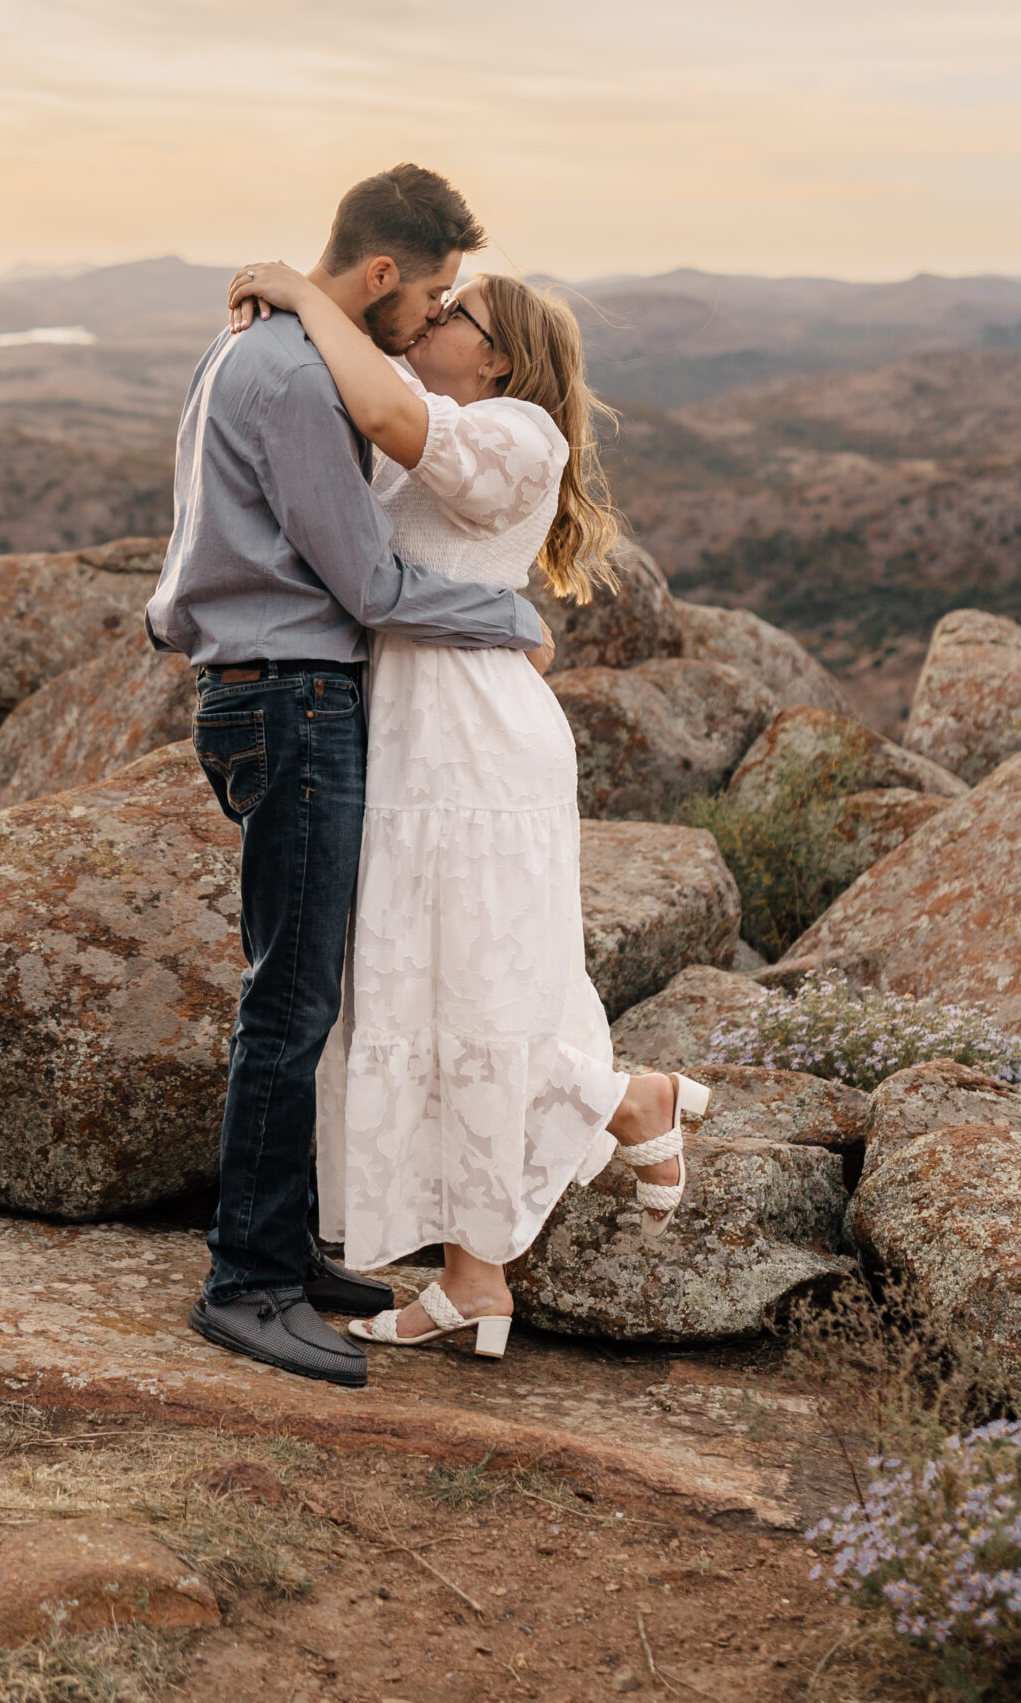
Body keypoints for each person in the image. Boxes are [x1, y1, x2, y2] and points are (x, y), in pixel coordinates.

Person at [224, 256, 708, 1363]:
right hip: (411, 732)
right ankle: (475, 1277)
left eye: (458, 312)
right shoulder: (446, 414)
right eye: (436, 302)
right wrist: (304, 307)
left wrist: (305, 295)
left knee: (474, 987)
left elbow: (388, 410)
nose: (435, 316)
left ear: (497, 355)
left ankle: (632, 1098)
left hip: (473, 746)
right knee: (418, 987)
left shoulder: (520, 431)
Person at [146, 164, 557, 1390]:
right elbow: (370, 586)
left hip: (276, 690)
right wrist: (508, 615)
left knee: (309, 991)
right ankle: (249, 1283)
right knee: (289, 1003)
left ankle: (282, 1249)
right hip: (291, 694)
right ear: (382, 275)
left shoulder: (267, 350)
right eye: (426, 297)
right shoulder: (290, 374)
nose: (427, 321)